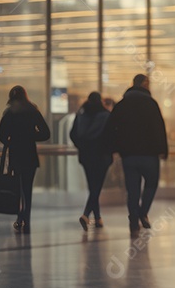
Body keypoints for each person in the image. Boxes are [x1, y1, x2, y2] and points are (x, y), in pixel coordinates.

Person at [105, 73, 169, 237]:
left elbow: (110, 128)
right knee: (151, 184)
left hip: (129, 156)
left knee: (132, 189)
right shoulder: (151, 104)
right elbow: (159, 128)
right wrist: (163, 150)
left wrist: (115, 148)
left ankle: (134, 219)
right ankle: (142, 212)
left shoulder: (122, 104)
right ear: (143, 85)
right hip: (149, 155)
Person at [0, 85, 51, 233]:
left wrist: (11, 140)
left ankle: (19, 218)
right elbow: (46, 133)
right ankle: (26, 219)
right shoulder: (33, 111)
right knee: (27, 189)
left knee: (17, 188)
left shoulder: (9, 112)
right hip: (30, 155)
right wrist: (30, 136)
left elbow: (1, 134)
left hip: (15, 155)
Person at [70, 91, 113, 230]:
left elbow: (73, 134)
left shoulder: (81, 115)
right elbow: (111, 135)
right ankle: (86, 215)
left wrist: (81, 146)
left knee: (93, 187)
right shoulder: (106, 116)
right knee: (96, 188)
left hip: (86, 156)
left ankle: (98, 218)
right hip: (102, 156)